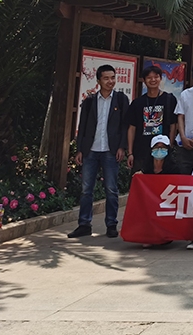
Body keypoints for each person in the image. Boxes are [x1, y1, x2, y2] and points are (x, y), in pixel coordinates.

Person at [68, 65, 130, 239]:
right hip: (91, 150)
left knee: (111, 189)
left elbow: (125, 126)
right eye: (106, 78)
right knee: (86, 189)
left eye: (113, 78)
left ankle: (111, 224)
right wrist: (80, 150)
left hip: (111, 150)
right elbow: (82, 126)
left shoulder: (120, 99)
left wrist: (122, 147)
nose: (110, 81)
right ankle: (84, 224)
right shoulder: (90, 101)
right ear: (98, 81)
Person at [126, 65, 177, 174]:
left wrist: (170, 145)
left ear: (160, 78)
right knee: (140, 180)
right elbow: (132, 128)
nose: (153, 80)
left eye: (156, 77)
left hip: (162, 151)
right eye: (149, 77)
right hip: (141, 152)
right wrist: (130, 153)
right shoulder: (137, 103)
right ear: (144, 80)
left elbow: (173, 125)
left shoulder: (169, 99)